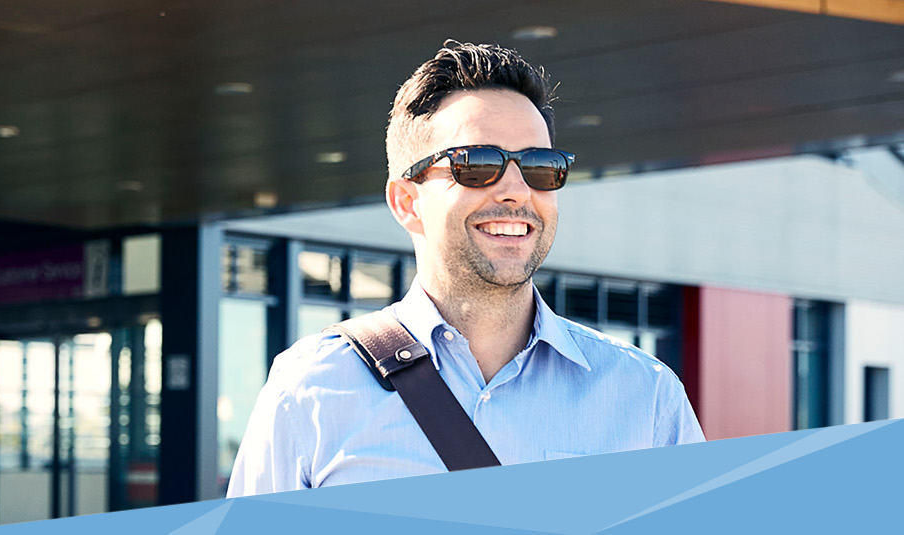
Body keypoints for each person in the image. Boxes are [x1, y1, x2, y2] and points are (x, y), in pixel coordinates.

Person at [226, 41, 704, 497]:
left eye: (541, 166)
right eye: (477, 164)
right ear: (407, 201)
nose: (517, 191)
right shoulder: (310, 389)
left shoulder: (645, 396)